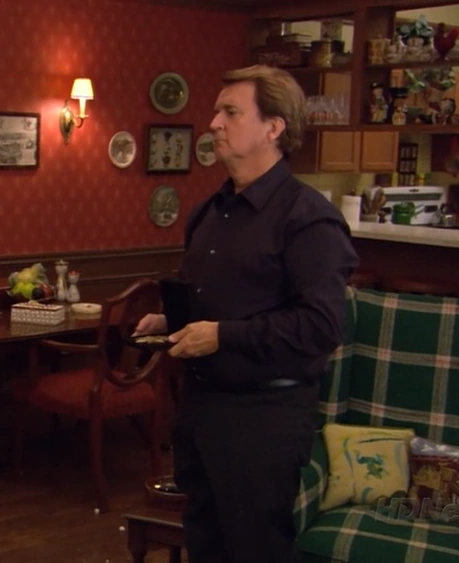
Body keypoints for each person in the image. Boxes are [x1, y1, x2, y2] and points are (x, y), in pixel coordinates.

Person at [134, 65, 358, 563]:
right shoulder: (208, 212)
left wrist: (223, 337)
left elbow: (321, 326)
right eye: (217, 111)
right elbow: (220, 302)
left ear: (273, 127)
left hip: (264, 419)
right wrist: (172, 322)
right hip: (201, 410)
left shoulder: (309, 219)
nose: (214, 123)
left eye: (230, 112)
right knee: (205, 544)